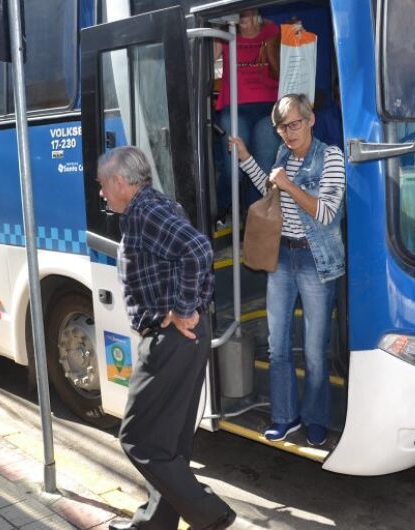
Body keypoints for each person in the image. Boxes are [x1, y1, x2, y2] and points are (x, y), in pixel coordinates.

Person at [97, 146, 235, 530]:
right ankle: (154, 524)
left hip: (169, 338)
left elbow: (196, 249)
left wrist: (182, 308)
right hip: (186, 336)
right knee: (169, 443)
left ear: (120, 182)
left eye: (103, 185)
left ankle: (210, 514)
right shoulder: (156, 204)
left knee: (137, 438)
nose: (102, 193)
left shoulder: (144, 212)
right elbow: (189, 253)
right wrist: (190, 309)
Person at [229, 93, 345, 446]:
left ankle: (315, 417)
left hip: (315, 261)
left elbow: (326, 213)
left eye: (295, 123)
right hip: (281, 258)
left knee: (313, 350)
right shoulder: (282, 155)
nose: (289, 133)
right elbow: (269, 189)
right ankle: (284, 417)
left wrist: (289, 184)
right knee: (277, 346)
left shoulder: (332, 157)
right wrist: (248, 158)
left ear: (310, 120)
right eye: (282, 127)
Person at [214, 9, 282, 218]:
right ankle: (218, 208)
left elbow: (285, 61)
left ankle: (254, 221)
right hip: (234, 106)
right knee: (233, 170)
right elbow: (205, 62)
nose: (242, 13)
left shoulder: (271, 30)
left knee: (261, 171)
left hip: (267, 107)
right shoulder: (225, 31)